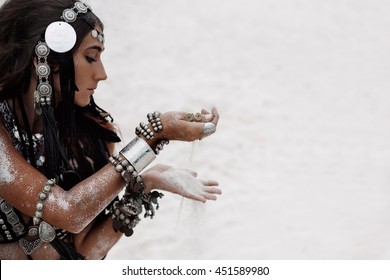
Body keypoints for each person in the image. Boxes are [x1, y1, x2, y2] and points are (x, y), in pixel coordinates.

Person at [0, 0, 221, 260]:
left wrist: (144, 185)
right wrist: (153, 136)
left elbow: (84, 252)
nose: (102, 74)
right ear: (44, 60)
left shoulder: (89, 137)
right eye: (91, 57)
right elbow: (68, 211)